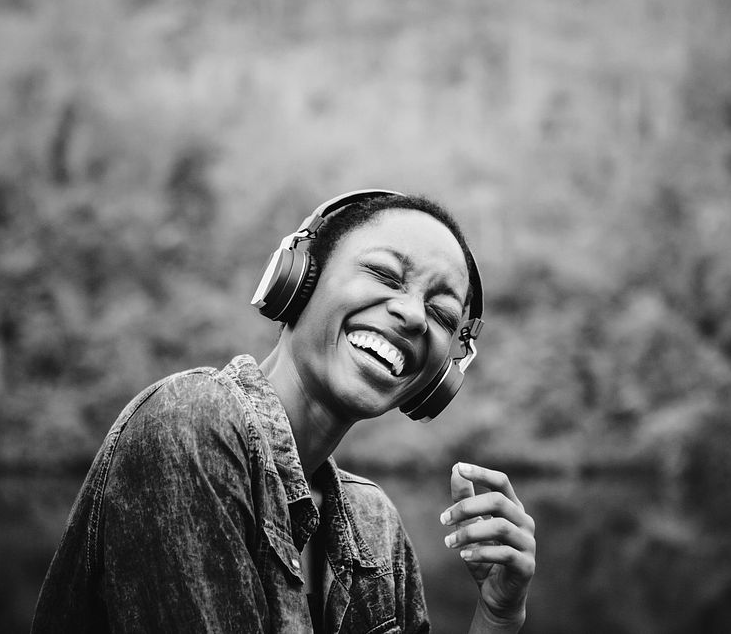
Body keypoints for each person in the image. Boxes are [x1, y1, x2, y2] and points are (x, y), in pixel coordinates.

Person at [32, 190, 536, 633]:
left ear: (439, 378)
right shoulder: (191, 422)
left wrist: (497, 617)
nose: (412, 315)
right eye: (384, 274)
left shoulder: (375, 526)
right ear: (299, 278)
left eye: (442, 314)